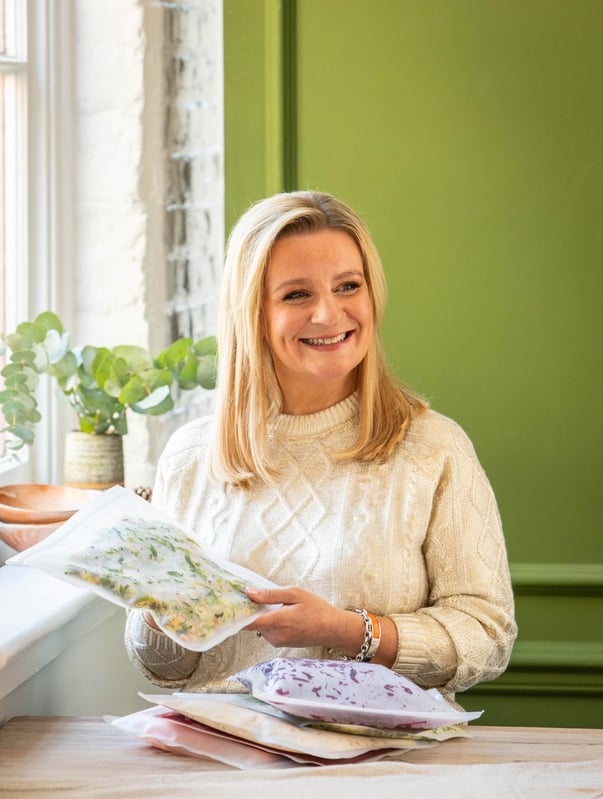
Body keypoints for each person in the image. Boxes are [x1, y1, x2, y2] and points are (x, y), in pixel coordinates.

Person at [125, 190, 517, 706]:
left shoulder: (434, 448)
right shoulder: (190, 455)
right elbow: (165, 670)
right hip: (220, 742)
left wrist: (347, 631)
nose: (330, 313)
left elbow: (486, 637)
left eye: (348, 286)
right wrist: (157, 611)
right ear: (252, 313)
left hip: (373, 746)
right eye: (296, 295)